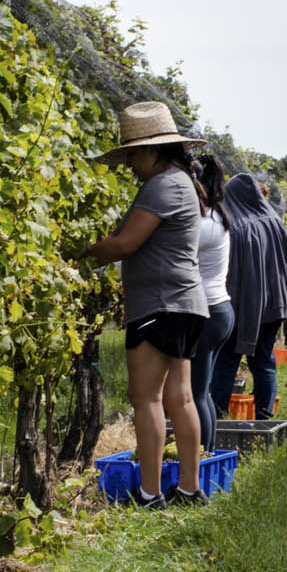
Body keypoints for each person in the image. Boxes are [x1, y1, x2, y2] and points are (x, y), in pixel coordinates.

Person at [86, 102, 208, 506]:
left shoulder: (162, 185)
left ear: (153, 149)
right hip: (185, 303)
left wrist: (77, 254)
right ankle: (188, 489)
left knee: (147, 399)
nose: (130, 166)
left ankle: (150, 492)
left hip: (159, 304)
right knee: (180, 398)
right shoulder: (180, 181)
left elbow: (125, 243)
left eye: (133, 155)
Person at [213, 172, 287, 422]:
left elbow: (231, 274)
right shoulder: (276, 223)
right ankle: (264, 418)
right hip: (275, 305)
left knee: (226, 361)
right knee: (263, 361)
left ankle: (217, 416)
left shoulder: (237, 228)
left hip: (244, 307)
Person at [191, 153, 235, 450]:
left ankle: (202, 456)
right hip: (219, 310)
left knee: (194, 394)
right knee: (202, 391)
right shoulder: (217, 216)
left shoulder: (204, 223)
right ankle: (206, 453)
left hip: (207, 312)